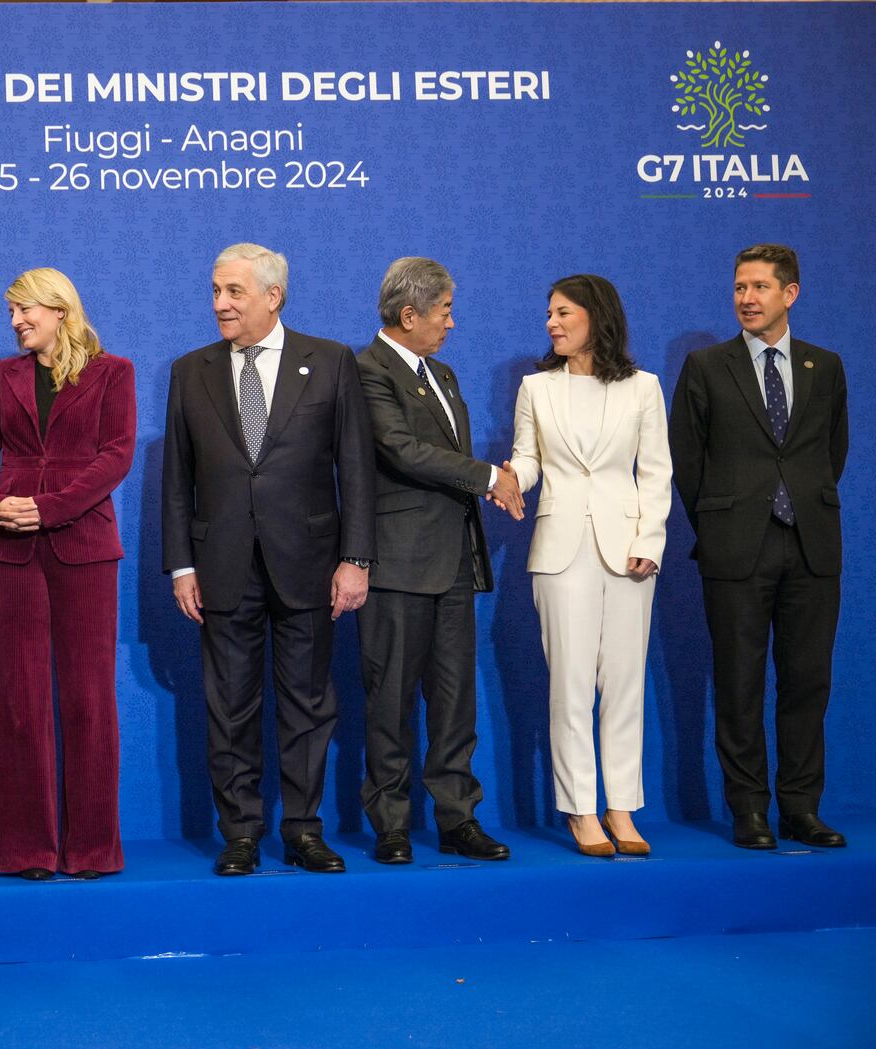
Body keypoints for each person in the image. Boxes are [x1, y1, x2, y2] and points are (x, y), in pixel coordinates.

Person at [162, 242, 375, 876]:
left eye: (233, 292)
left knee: (309, 702)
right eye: (215, 291)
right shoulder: (190, 369)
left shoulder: (331, 362)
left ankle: (305, 831)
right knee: (229, 705)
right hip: (221, 564)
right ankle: (241, 833)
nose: (219, 304)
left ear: (272, 297)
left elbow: (357, 471)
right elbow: (178, 478)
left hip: (310, 562)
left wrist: (356, 558)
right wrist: (180, 565)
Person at [670, 244, 848, 850]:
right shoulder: (706, 365)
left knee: (807, 682)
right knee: (739, 682)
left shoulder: (826, 366)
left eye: (760, 287)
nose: (746, 298)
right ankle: (748, 809)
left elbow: (833, 453)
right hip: (734, 546)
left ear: (790, 293)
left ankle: (801, 808)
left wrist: (802, 503)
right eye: (740, 286)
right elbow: (687, 463)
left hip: (811, 546)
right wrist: (720, 523)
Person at [0, 268, 135, 880]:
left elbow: (116, 456)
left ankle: (91, 850)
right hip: (9, 547)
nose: (15, 323)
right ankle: (23, 851)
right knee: (17, 699)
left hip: (83, 545)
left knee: (89, 700)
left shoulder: (113, 372)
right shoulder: (3, 375)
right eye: (11, 313)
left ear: (61, 310)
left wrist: (50, 507)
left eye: (24, 311)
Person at [354, 257, 518, 865]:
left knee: (455, 703)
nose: (451, 322)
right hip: (397, 563)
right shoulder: (365, 369)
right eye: (444, 310)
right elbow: (399, 450)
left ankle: (458, 820)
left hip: (453, 563)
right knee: (390, 700)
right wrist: (487, 476)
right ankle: (391, 824)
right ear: (409, 314)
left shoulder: (443, 374)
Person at [506, 275, 671, 856]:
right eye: (548, 313)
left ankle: (622, 808)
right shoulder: (536, 387)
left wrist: (649, 540)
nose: (551, 323)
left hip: (628, 550)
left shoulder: (644, 388)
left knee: (625, 684)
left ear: (596, 316)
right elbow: (528, 458)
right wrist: (507, 480)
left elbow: (655, 472)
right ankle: (581, 810)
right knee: (570, 686)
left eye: (563, 312)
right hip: (559, 549)